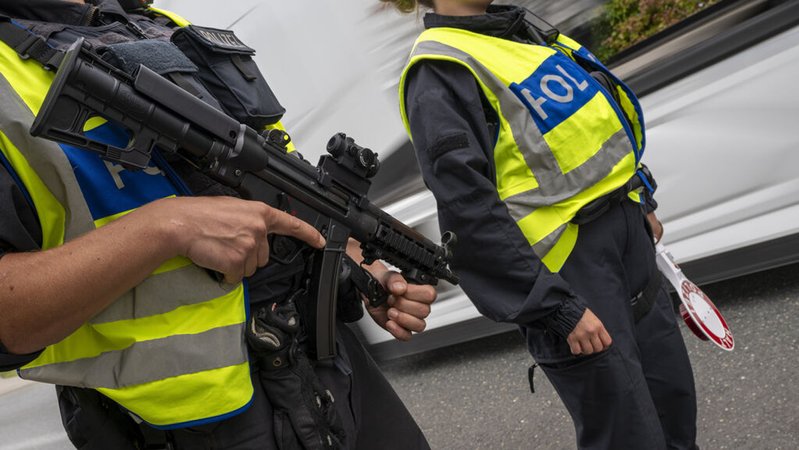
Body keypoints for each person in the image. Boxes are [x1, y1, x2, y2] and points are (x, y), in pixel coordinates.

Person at [0, 0, 436, 448]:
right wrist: (167, 227)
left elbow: (282, 177)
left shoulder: (155, 22)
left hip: (329, 364)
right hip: (193, 425)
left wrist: (359, 264)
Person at [382, 1, 698, 449]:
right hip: (571, 274)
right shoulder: (438, 72)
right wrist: (555, 308)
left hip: (627, 240)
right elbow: (469, 214)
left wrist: (641, 196)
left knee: (675, 408)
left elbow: (590, 127)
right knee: (628, 434)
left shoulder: (515, 31)